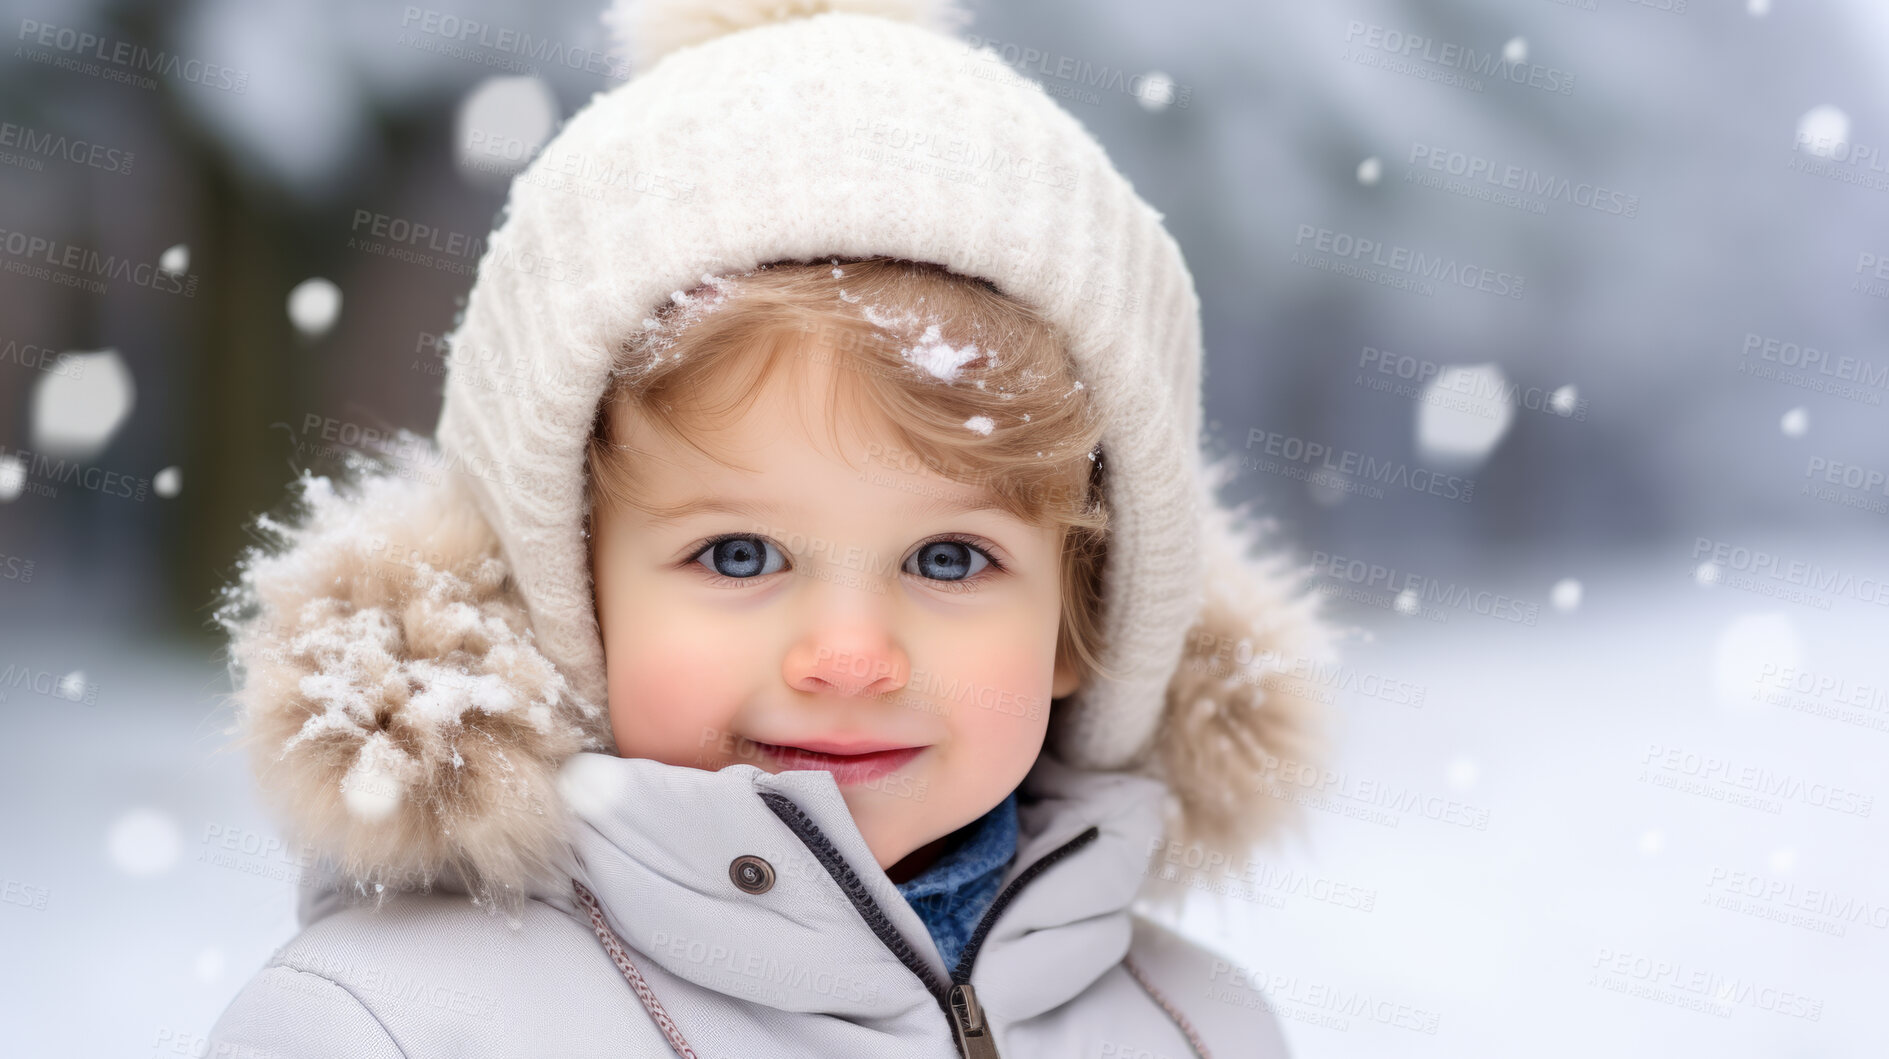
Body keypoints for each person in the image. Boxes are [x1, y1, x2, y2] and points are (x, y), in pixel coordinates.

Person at [206, 1, 1331, 1055]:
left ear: (1083, 616)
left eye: (949, 558)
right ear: (563, 589)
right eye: (737, 554)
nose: (847, 657)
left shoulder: (1196, 1028)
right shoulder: (392, 1028)